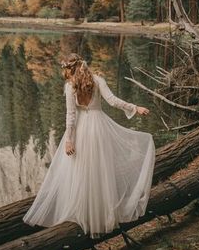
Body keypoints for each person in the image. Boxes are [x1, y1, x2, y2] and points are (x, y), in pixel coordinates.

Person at [22, 53, 156, 238]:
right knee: (101, 170)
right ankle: (102, 214)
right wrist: (134, 108)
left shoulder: (70, 87)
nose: (65, 74)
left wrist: (69, 140)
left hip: (82, 130)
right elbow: (113, 101)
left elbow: (71, 116)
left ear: (70, 69)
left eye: (65, 70)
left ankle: (83, 211)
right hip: (99, 127)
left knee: (80, 170)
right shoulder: (97, 80)